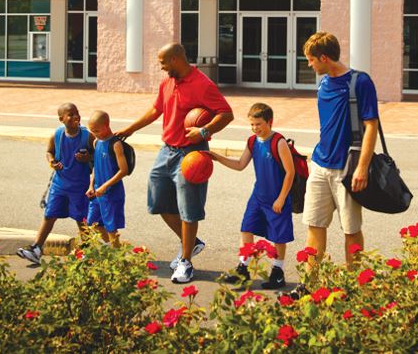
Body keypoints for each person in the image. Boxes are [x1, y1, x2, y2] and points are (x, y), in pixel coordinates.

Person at [116, 43, 233, 283]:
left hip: (192, 153)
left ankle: (186, 261)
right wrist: (129, 130)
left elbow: (226, 113)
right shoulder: (167, 83)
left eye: (163, 62)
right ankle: (192, 242)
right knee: (157, 201)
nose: (161, 67)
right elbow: (155, 110)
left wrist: (204, 130)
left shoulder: (203, 84)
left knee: (189, 210)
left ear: (177, 58)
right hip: (167, 150)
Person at [301, 31, 379, 272]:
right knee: (314, 224)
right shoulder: (323, 83)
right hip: (320, 165)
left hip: (347, 168)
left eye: (311, 59)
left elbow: (371, 126)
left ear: (324, 58)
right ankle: (310, 283)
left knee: (351, 230)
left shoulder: (360, 82)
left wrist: (362, 167)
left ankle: (355, 284)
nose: (309, 64)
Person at [209, 102, 295, 290]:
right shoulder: (252, 141)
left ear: (269, 122)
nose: (255, 128)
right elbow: (240, 165)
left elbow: (290, 172)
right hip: (258, 197)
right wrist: (217, 157)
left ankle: (278, 273)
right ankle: (243, 268)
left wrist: (281, 198)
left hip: (277, 198)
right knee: (246, 228)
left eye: (259, 124)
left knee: (278, 237)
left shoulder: (278, 142)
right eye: (252, 125)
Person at [17, 102, 92, 265]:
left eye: (77, 113)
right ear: (61, 119)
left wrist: (87, 159)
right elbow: (49, 151)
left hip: (80, 186)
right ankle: (36, 248)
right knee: (49, 215)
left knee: (82, 219)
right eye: (70, 114)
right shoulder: (57, 135)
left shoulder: (87, 136)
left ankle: (86, 252)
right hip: (60, 185)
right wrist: (52, 161)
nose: (75, 116)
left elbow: (95, 157)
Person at [85, 110, 128, 248]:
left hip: (111, 193)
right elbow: (96, 167)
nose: (94, 134)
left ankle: (117, 256)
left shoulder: (115, 145)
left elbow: (124, 170)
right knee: (92, 222)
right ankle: (112, 248)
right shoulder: (96, 143)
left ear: (106, 125)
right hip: (98, 191)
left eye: (96, 130)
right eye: (92, 131)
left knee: (111, 227)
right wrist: (91, 185)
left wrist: (105, 186)